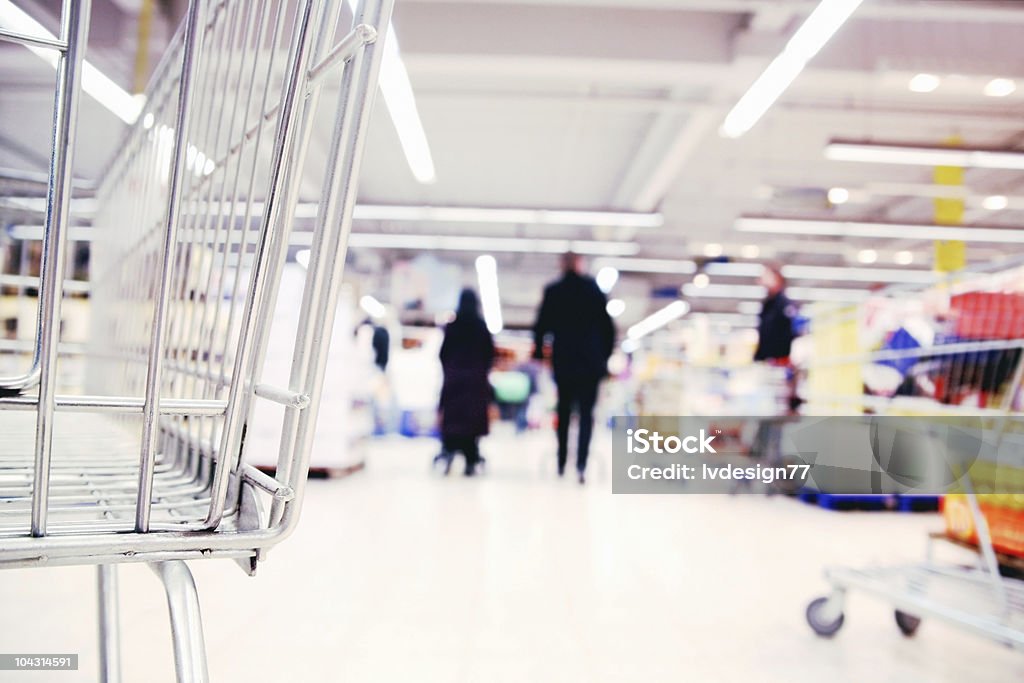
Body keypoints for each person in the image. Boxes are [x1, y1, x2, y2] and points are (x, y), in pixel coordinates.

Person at [533, 252, 615, 484]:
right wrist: (604, 358)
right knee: (587, 415)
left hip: (564, 362)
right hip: (591, 364)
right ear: (580, 264)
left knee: (564, 412)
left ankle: (561, 462)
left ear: (561, 265)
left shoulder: (554, 291)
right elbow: (608, 329)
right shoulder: (594, 291)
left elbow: (541, 326)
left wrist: (540, 352)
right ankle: (581, 464)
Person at [437, 289, 495, 477]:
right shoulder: (482, 327)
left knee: (453, 421)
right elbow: (489, 355)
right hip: (475, 383)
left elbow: (443, 354)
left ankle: (449, 452)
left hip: (454, 381)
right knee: (472, 424)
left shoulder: (452, 327)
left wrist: (451, 371)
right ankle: (471, 459)